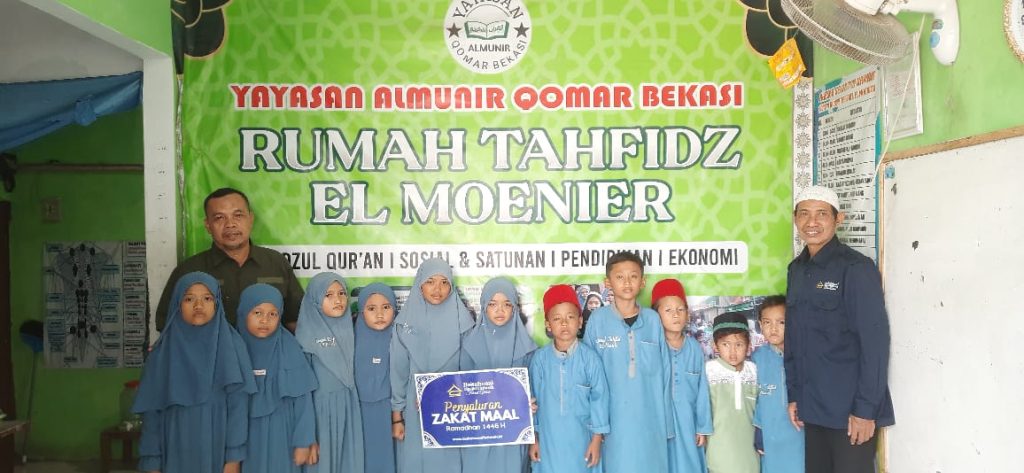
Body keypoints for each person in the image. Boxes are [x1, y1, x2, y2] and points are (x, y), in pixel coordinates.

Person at [786, 185, 894, 473]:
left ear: (838, 219)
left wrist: (865, 410)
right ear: (795, 219)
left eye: (822, 214)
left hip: (850, 412)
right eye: (804, 214)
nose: (812, 222)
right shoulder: (796, 270)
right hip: (812, 407)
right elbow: (794, 340)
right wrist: (794, 395)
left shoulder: (856, 268)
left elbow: (875, 344)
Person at [133, 271, 256, 473]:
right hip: (174, 442)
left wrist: (234, 457)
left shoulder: (232, 346)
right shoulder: (163, 351)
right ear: (177, 304)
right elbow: (151, 413)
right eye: (189, 299)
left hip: (218, 442)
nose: (198, 305)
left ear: (217, 303)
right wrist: (152, 461)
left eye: (207, 299)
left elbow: (238, 408)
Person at [156, 188, 304, 330]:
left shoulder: (275, 263)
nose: (230, 224)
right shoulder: (189, 271)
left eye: (238, 215)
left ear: (250, 219)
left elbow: (295, 320)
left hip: (267, 348)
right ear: (208, 225)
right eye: (219, 218)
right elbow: (168, 325)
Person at [581, 251, 673, 473]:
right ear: (607, 283)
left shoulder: (652, 320)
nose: (627, 282)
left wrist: (667, 424)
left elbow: (666, 373)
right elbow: (587, 376)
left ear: (643, 282)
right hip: (612, 423)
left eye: (633, 276)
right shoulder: (598, 320)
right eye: (620, 277)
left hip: (651, 420)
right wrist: (596, 426)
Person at [390, 258, 474, 473]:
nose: (437, 289)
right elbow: (398, 373)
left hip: (452, 407)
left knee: (449, 463)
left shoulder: (464, 324)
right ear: (420, 284)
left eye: (444, 282)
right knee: (416, 462)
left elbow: (469, 373)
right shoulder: (404, 325)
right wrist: (397, 418)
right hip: (414, 409)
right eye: (430, 281)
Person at [235, 284, 319, 473]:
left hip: (283, 432)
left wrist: (303, 441)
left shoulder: (289, 348)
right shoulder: (232, 349)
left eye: (273, 314)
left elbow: (303, 401)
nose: (265, 320)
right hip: (243, 434)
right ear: (243, 312)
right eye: (257, 312)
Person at [529, 284, 609, 473]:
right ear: (548, 324)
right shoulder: (539, 360)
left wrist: (597, 439)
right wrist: (534, 439)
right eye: (557, 318)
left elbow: (600, 400)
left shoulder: (590, 359)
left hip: (583, 442)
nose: (564, 323)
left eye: (570, 317)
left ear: (580, 322)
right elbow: (533, 401)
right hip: (548, 442)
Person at [461, 277, 538, 473]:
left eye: (507, 304)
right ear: (484, 307)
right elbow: (457, 389)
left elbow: (534, 391)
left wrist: (531, 403)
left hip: (513, 432)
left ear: (515, 308)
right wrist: (432, 399)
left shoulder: (528, 349)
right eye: (493, 304)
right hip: (477, 434)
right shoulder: (468, 346)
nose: (500, 310)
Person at [296, 272, 364, 473]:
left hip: (349, 408)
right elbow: (302, 395)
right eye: (328, 295)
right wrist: (307, 437)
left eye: (342, 293)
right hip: (320, 416)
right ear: (315, 300)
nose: (338, 300)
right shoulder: (305, 340)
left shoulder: (352, 332)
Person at [652, 278, 712, 473]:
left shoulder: (694, 348)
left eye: (680, 309)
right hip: (658, 423)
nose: (676, 315)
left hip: (688, 423)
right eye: (668, 310)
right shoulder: (651, 347)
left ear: (687, 313)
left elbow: (702, 390)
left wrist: (702, 426)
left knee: (690, 465)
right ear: (656, 315)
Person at [752, 295, 804, 473]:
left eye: (781, 322)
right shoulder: (757, 359)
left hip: (799, 435)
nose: (773, 328)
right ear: (760, 324)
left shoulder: (803, 356)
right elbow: (755, 400)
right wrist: (758, 431)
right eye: (767, 322)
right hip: (771, 435)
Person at [705, 311, 758, 473]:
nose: (733, 351)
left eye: (739, 344)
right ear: (715, 346)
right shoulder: (708, 371)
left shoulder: (754, 371)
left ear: (748, 345)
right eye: (726, 344)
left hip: (749, 453)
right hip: (718, 453)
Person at [354, 283, 399, 473]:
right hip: (358, 411)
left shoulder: (400, 339)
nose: (380, 314)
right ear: (361, 311)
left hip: (392, 411)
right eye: (371, 308)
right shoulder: (350, 340)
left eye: (386, 307)